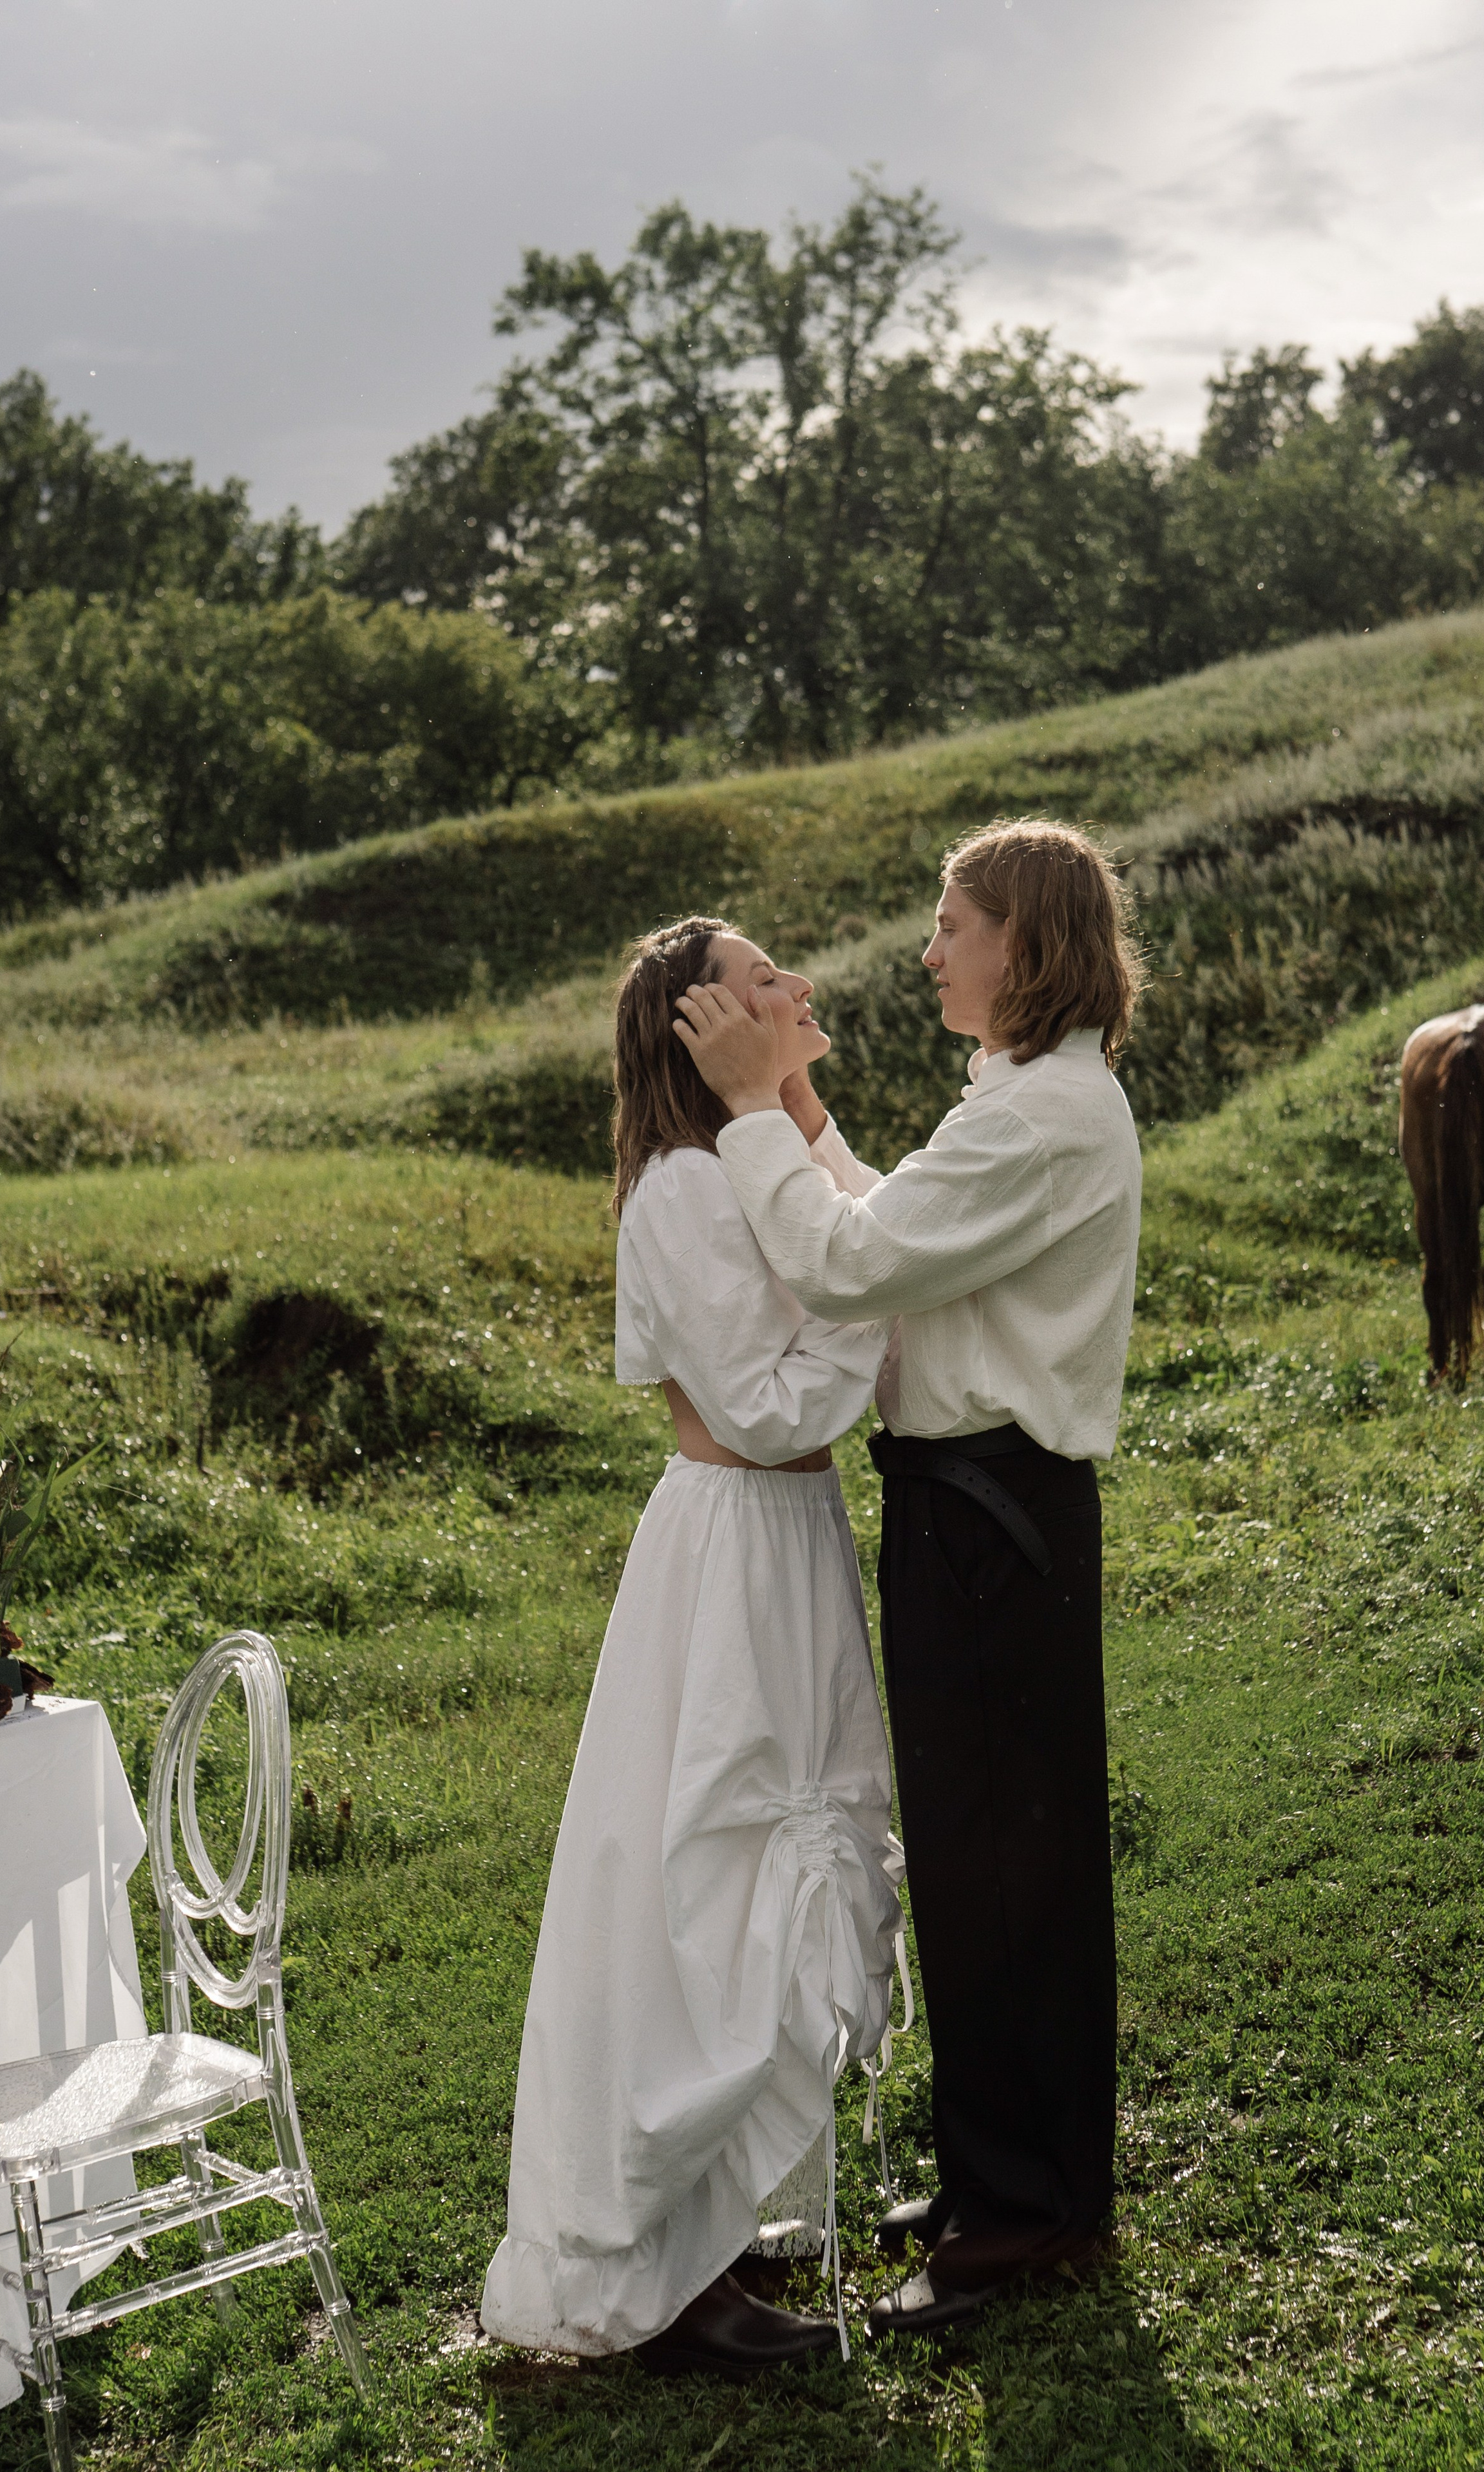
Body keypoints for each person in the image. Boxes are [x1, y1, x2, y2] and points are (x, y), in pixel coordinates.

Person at [672, 820, 1144, 2340]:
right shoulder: (1020, 1103)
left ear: (1025, 942)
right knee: (974, 1853)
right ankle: (1001, 2182)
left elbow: (847, 1266)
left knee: (1006, 1865)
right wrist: (803, 1110)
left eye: (952, 924)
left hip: (992, 1519)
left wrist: (749, 1108)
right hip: (973, 1512)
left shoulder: (1043, 1118)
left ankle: (1025, 2220)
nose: (929, 951)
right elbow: (893, 1226)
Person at [481, 915, 906, 2379]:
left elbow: (866, 1241)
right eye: (764, 976)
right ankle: (670, 2259)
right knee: (711, 1872)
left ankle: (734, 2205)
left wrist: (795, 1108)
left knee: (779, 1851)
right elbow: (769, 1410)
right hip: (732, 1550)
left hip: (794, 1543)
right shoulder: (679, 1190)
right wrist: (872, 1312)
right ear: (700, 1022)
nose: (797, 985)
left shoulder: (744, 1159)